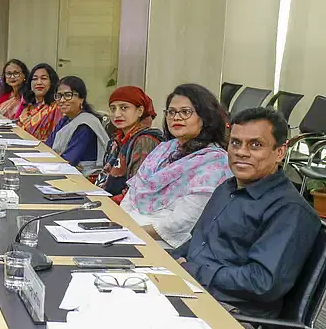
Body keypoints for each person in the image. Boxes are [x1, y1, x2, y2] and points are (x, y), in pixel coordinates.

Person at [173, 107, 320, 319]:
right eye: (235, 143)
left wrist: (193, 271)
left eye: (256, 145)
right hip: (190, 289)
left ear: (280, 152)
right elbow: (197, 241)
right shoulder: (227, 188)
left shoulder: (289, 210)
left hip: (232, 313)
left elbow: (262, 282)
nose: (241, 152)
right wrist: (169, 261)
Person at [120, 83, 231, 249]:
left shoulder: (215, 163)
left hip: (165, 244)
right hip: (128, 232)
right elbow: (133, 193)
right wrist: (121, 224)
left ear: (205, 117)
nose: (176, 118)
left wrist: (131, 231)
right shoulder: (164, 149)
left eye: (185, 112)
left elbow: (182, 222)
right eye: (171, 112)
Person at [96, 86, 163, 197]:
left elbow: (136, 189)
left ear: (140, 111)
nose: (117, 114)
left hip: (125, 207)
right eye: (113, 109)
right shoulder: (117, 140)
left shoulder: (144, 141)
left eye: (124, 108)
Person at [47, 76, 109, 171]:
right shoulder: (66, 119)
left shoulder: (86, 124)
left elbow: (69, 160)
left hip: (84, 176)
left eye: (68, 95)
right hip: (62, 169)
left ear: (81, 99)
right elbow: (48, 147)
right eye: (59, 96)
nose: (62, 100)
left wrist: (56, 155)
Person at [17, 63, 64, 142]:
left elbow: (56, 139)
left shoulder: (57, 108)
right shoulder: (28, 107)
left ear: (51, 82)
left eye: (44, 78)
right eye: (35, 79)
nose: (39, 82)